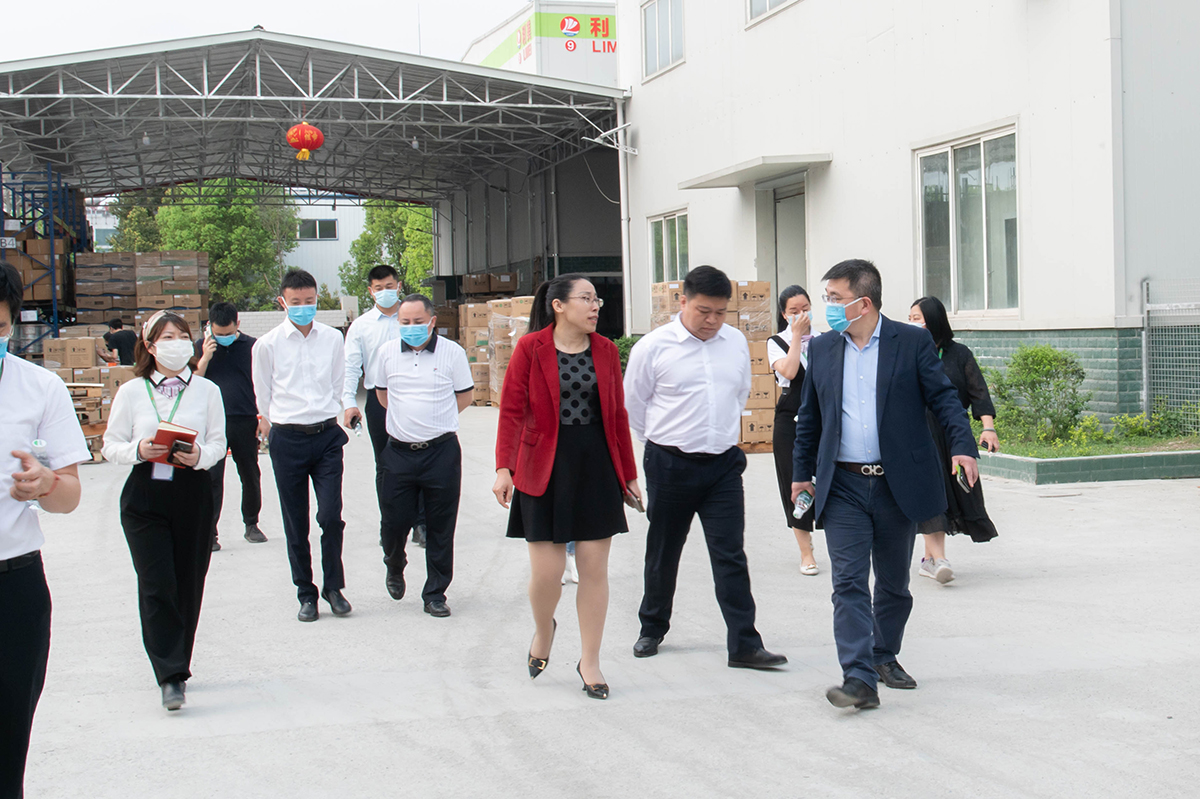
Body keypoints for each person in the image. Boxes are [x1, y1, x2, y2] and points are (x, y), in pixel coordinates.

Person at [791, 259, 979, 710]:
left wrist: (963, 446)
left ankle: (883, 654)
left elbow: (944, 399)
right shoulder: (823, 348)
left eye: (835, 298)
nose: (827, 307)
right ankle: (858, 677)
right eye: (827, 297)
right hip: (843, 485)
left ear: (864, 303)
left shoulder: (910, 342)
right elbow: (810, 418)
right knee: (849, 582)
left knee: (893, 584)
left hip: (898, 483)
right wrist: (801, 474)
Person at [624, 265, 787, 671]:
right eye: (703, 311)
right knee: (664, 550)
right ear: (683, 302)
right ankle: (652, 628)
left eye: (720, 312)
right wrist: (660, 444)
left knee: (730, 554)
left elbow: (741, 392)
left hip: (722, 467)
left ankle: (744, 644)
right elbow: (634, 406)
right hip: (670, 464)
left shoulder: (735, 342)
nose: (712, 320)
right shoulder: (653, 347)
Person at [493, 274, 640, 700]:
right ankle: (544, 630)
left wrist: (628, 474)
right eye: (586, 299)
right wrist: (504, 468)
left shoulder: (606, 350)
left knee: (594, 570)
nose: (595, 307)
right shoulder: (530, 347)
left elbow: (617, 416)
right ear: (559, 305)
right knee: (548, 575)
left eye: (597, 300)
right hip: (543, 466)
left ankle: (590, 661)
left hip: (595, 467)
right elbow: (512, 410)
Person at [101, 310, 227, 711]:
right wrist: (138, 449)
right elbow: (110, 445)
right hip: (145, 496)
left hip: (192, 492)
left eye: (182, 336)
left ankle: (179, 660)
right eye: (166, 337)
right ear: (150, 346)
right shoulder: (132, 391)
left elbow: (218, 444)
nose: (176, 344)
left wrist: (198, 456)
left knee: (188, 582)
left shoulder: (206, 390)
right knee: (157, 583)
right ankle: (169, 675)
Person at [0, 260, 89, 797]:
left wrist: (46, 483)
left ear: (11, 323)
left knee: (7, 746)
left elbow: (70, 496)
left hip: (13, 590)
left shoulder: (39, 388)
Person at [253, 269, 352, 623]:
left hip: (326, 436)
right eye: (295, 302)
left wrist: (338, 411)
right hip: (288, 439)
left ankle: (334, 588)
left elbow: (339, 382)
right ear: (283, 302)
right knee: (296, 521)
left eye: (309, 301)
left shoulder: (332, 338)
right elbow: (262, 393)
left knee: (330, 516)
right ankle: (306, 593)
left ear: (316, 300)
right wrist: (270, 423)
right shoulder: (267, 345)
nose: (303, 307)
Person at [371, 294, 473, 616]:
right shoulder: (387, 353)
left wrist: (436, 419)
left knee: (441, 525)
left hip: (441, 452)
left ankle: (435, 593)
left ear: (432, 322)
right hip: (399, 453)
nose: (411, 327)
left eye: (418, 322)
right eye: (405, 322)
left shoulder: (452, 353)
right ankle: (394, 562)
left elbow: (465, 395)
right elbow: (383, 395)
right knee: (393, 521)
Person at [908, 296, 1000, 583]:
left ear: (933, 320)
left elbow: (978, 393)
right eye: (910, 319)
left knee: (953, 493)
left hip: (953, 435)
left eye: (917, 318)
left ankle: (929, 559)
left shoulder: (959, 354)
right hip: (920, 434)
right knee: (930, 492)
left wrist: (988, 428)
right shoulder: (908, 352)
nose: (912, 324)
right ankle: (938, 559)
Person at [343, 265, 428, 549]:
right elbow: (350, 367)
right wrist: (348, 403)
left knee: (420, 460)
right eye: (378, 288)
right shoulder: (361, 326)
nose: (385, 292)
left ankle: (421, 524)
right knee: (386, 465)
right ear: (371, 291)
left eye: (389, 286)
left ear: (399, 286)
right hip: (379, 401)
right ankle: (390, 524)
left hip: (416, 398)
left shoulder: (415, 320)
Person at [195, 302, 266, 551]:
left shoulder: (253, 347)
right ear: (209, 328)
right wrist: (206, 356)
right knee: (212, 478)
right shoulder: (200, 347)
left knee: (250, 473)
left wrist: (264, 417)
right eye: (218, 333)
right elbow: (191, 383)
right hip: (212, 422)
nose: (223, 337)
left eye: (228, 333)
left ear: (238, 324)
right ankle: (210, 533)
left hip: (244, 419)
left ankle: (251, 523)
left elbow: (265, 382)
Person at [767, 284, 820, 575]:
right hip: (791, 415)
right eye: (794, 311)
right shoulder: (777, 341)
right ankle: (805, 551)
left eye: (805, 308)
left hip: (822, 415)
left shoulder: (826, 339)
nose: (801, 314)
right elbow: (788, 371)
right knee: (794, 481)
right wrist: (797, 336)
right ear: (784, 314)